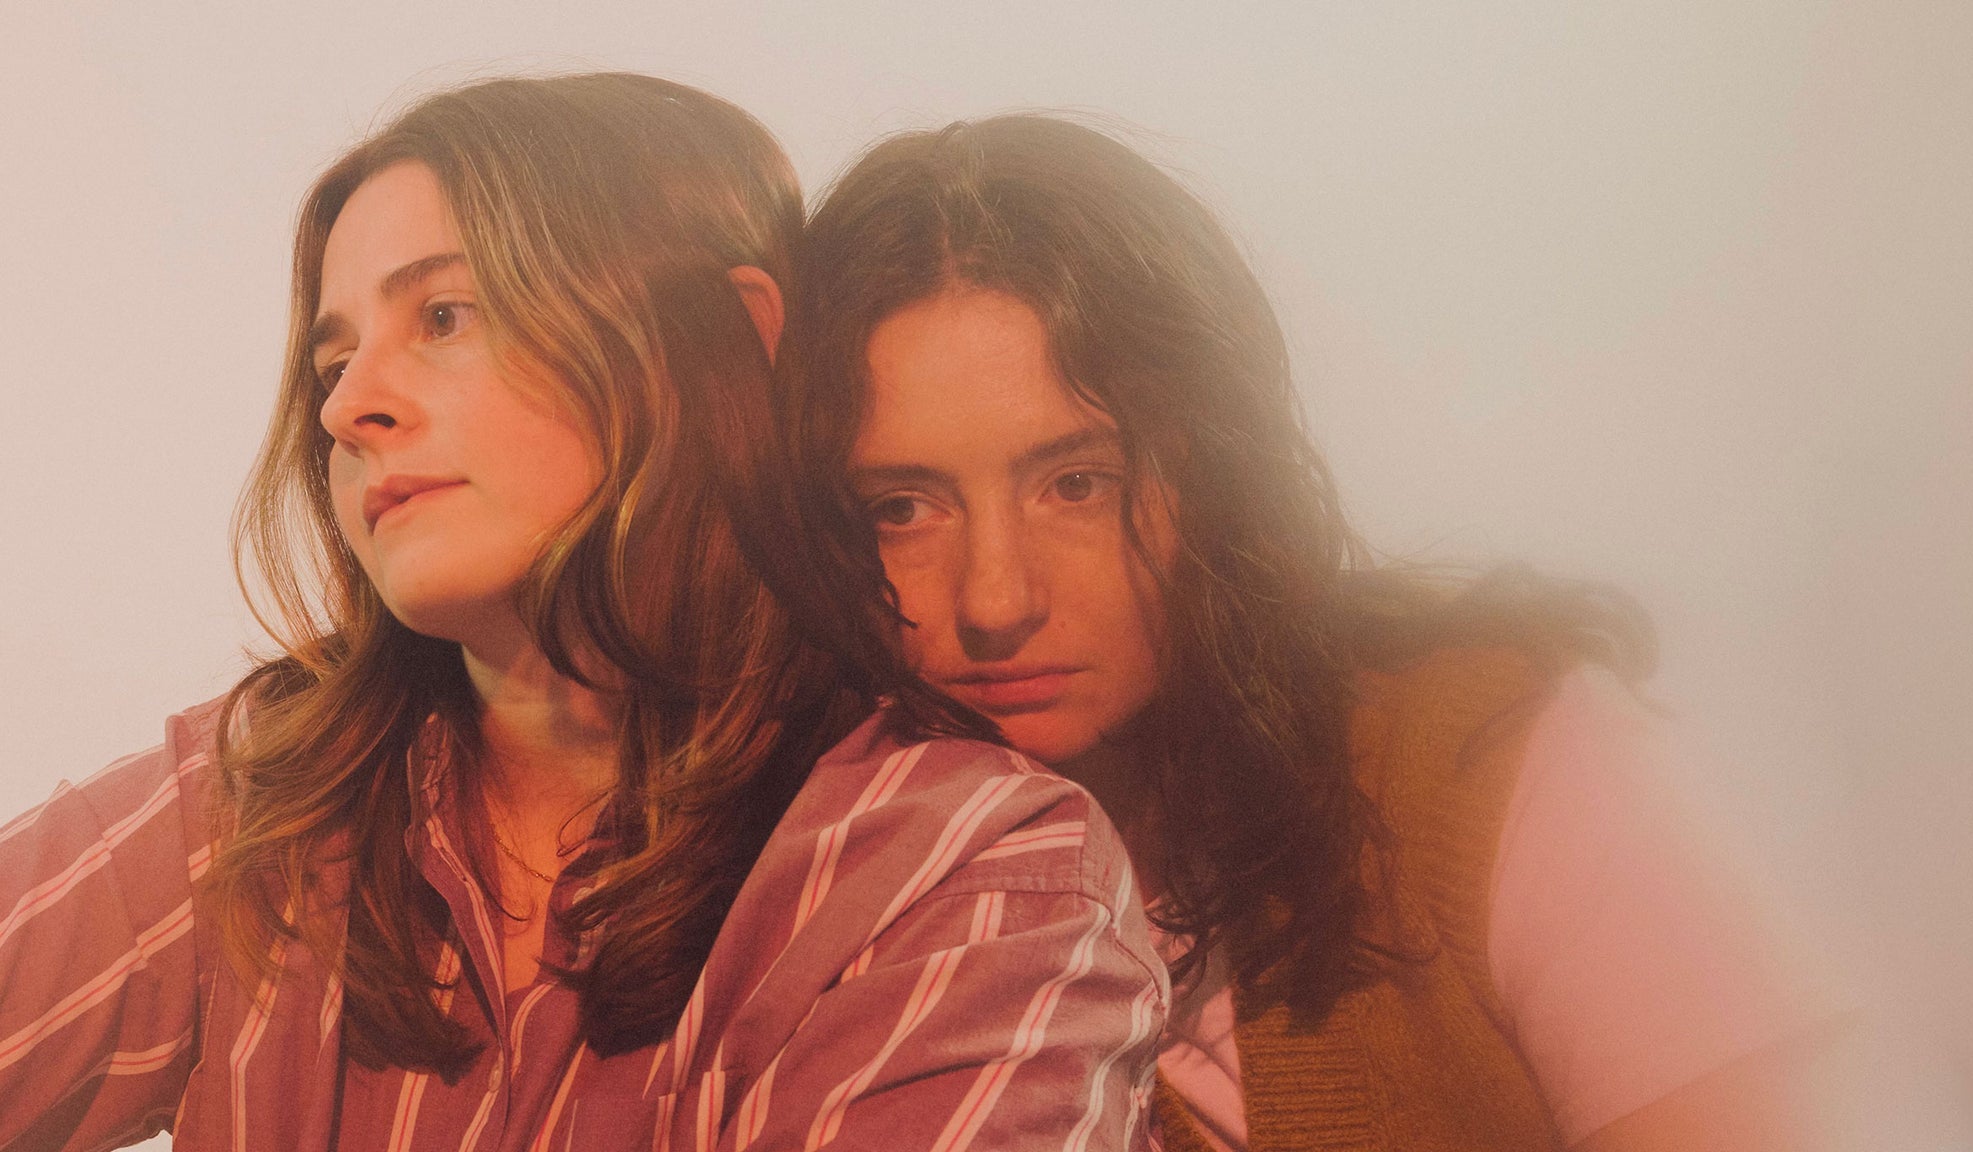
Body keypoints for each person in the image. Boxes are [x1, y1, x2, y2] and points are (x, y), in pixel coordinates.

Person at [0, 77, 1164, 1151]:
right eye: (332, 361)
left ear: (725, 338)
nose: (349, 406)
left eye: (444, 315)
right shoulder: (258, 795)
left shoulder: (974, 875)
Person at [779, 115, 1846, 1151]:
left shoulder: (1476, 758)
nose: (995, 597)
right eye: (902, 508)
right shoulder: (825, 886)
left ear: (1219, 471)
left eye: (1077, 484)